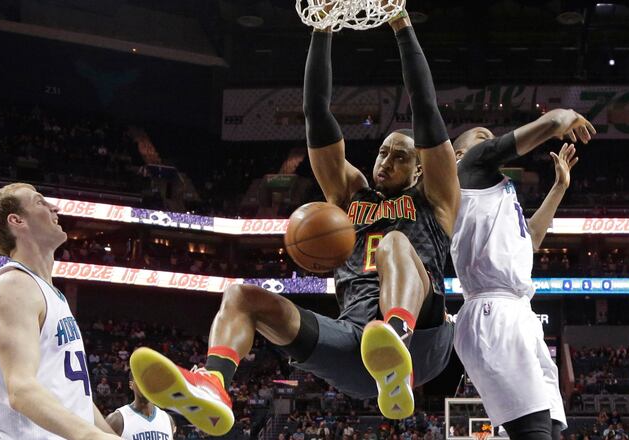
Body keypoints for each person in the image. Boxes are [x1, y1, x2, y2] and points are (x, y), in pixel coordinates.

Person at [129, 8, 460, 437]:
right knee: (241, 296)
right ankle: (213, 383)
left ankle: (396, 332)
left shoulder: (434, 198)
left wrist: (400, 25)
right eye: (382, 151)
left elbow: (426, 108)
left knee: (396, 242)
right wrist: (322, 29)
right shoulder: (349, 194)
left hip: (425, 340)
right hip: (360, 348)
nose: (386, 161)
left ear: (418, 170)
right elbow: (316, 112)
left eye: (400, 156)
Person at [449, 110, 595, 440]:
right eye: (482, 139)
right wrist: (565, 116)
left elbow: (530, 239)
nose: (489, 142)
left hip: (519, 313)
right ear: (460, 154)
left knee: (552, 429)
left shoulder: (494, 192)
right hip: (492, 311)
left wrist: (559, 187)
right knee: (533, 432)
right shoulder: (466, 168)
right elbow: (551, 123)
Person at [0, 183, 121, 440]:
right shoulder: (14, 285)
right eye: (40, 202)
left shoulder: (52, 295)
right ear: (17, 220)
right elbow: (21, 389)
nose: (55, 207)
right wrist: (93, 437)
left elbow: (77, 397)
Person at [106, 370, 176, 440]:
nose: (146, 384)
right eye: (141, 380)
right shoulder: (117, 419)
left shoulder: (167, 419)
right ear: (131, 385)